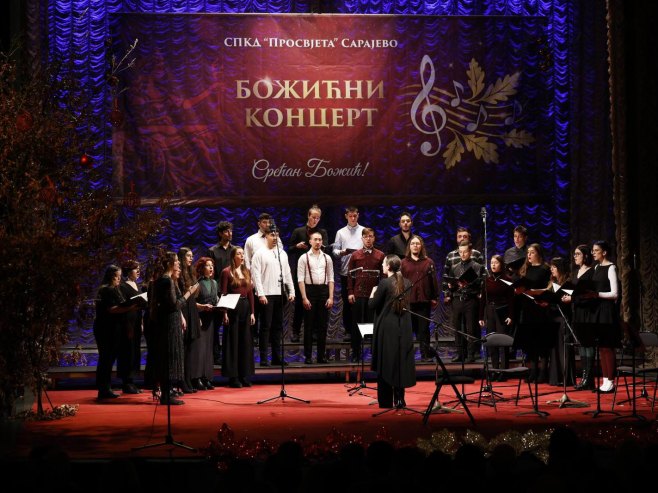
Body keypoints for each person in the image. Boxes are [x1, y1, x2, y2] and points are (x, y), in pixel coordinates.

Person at [369, 254, 416, 408]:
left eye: (384, 263)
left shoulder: (384, 283)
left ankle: (386, 401)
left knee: (386, 362)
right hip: (404, 327)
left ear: (388, 266)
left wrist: (373, 293)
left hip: (387, 328)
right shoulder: (407, 282)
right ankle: (400, 399)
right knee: (400, 362)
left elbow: (372, 305)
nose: (382, 265)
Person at [152, 252, 198, 405]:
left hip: (167, 321)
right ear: (170, 263)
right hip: (169, 323)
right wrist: (189, 293)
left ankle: (167, 392)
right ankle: (166, 395)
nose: (178, 263)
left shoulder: (163, 280)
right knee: (170, 357)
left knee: (168, 357)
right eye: (176, 261)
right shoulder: (167, 281)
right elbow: (175, 305)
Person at [93, 265, 139, 400]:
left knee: (109, 359)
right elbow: (112, 309)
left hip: (113, 328)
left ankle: (106, 388)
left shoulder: (115, 289)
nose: (119, 279)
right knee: (106, 359)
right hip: (105, 329)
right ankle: (103, 389)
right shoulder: (106, 290)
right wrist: (131, 307)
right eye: (116, 276)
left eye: (119, 276)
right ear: (110, 277)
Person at [251, 228, 295, 366]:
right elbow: (256, 276)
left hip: (279, 294)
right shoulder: (259, 254)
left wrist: (291, 291)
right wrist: (261, 293)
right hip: (266, 295)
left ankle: (277, 357)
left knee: (278, 326)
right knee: (266, 326)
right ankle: (264, 358)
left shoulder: (282, 253)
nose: (275, 237)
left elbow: (287, 273)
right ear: (266, 236)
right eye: (272, 235)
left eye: (277, 235)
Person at [512, 243, 553, 383]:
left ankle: (543, 372)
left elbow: (549, 288)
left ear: (539, 254)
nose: (529, 255)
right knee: (531, 343)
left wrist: (538, 294)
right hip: (527, 309)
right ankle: (533, 371)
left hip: (540, 309)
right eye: (528, 252)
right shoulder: (525, 269)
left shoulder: (545, 269)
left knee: (541, 342)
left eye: (532, 252)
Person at [288, 205, 329, 343]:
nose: (315, 220)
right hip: (301, 272)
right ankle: (296, 332)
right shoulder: (298, 231)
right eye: (313, 217)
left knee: (317, 304)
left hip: (317, 272)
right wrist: (297, 246)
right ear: (308, 216)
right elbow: (289, 249)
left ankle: (315, 332)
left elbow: (326, 248)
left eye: (318, 218)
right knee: (300, 303)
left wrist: (318, 244)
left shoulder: (322, 232)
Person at [347, 227, 385, 362]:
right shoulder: (355, 255)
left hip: (373, 296)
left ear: (374, 238)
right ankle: (356, 353)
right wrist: (350, 292)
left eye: (371, 236)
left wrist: (380, 294)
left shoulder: (380, 255)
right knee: (357, 324)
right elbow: (350, 275)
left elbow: (383, 276)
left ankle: (375, 354)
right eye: (366, 236)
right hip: (358, 294)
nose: (368, 239)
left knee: (372, 324)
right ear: (362, 238)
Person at [561, 244, 596, 390]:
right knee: (581, 344)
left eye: (578, 254)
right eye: (574, 254)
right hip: (577, 312)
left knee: (588, 344)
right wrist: (566, 296)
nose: (575, 256)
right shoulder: (576, 272)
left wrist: (572, 298)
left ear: (585, 256)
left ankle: (589, 378)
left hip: (588, 312)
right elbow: (574, 291)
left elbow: (589, 296)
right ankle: (584, 378)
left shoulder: (592, 272)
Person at [220, 247, 256, 387]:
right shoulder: (226, 272)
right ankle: (233, 377)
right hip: (232, 308)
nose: (242, 256)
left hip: (245, 307)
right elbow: (223, 293)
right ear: (233, 256)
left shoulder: (246, 271)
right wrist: (224, 312)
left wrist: (252, 312)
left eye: (242, 253)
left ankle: (244, 374)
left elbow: (250, 293)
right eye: (239, 253)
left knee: (245, 342)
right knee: (233, 342)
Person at [444, 241, 485, 363]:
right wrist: (451, 287)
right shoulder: (454, 267)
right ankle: (460, 353)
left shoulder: (477, 267)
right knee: (457, 328)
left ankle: (471, 354)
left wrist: (470, 284)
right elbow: (451, 286)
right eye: (460, 252)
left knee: (471, 328)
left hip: (470, 300)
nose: (462, 254)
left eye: (465, 252)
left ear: (470, 252)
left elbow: (481, 284)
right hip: (457, 300)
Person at [297, 231, 334, 364]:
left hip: (323, 291)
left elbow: (331, 278)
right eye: (315, 239)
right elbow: (300, 279)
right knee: (309, 325)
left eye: (320, 239)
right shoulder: (304, 258)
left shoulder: (327, 258)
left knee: (322, 326)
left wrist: (331, 297)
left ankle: (321, 356)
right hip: (310, 291)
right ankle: (308, 356)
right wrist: (304, 298)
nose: (318, 242)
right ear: (310, 241)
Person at [400, 235, 439, 361]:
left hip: (424, 301)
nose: (415, 246)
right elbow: (400, 282)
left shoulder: (429, 262)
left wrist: (435, 297)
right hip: (408, 302)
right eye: (413, 244)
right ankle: (406, 357)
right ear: (409, 246)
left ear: (421, 246)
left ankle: (425, 354)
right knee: (408, 330)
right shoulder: (403, 263)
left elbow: (433, 280)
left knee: (423, 329)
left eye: (417, 243)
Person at [589, 240, 621, 393]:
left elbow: (615, 294)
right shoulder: (596, 267)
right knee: (601, 347)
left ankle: (611, 381)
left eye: (596, 250)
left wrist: (597, 294)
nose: (593, 253)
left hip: (607, 311)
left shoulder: (611, 267)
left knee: (608, 347)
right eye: (593, 250)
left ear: (604, 252)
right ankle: (605, 380)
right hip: (598, 310)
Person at [332, 206, 365, 343]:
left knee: (363, 303)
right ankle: (348, 331)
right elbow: (334, 251)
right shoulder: (340, 232)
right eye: (350, 216)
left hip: (362, 272)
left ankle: (364, 332)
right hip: (346, 272)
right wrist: (342, 252)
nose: (352, 218)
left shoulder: (364, 230)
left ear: (358, 215)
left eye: (355, 216)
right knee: (347, 303)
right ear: (346, 216)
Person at [479, 255, 514, 370]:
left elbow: (511, 300)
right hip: (490, 311)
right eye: (492, 263)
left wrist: (510, 315)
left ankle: (504, 370)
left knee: (503, 341)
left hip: (502, 311)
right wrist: (481, 317)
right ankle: (495, 369)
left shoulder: (507, 280)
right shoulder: (487, 280)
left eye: (496, 263)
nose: (493, 265)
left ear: (501, 265)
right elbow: (483, 300)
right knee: (492, 341)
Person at [206, 220, 234, 364]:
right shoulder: (213, 251)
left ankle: (230, 355)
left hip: (233, 291)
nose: (230, 233)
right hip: (218, 291)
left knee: (231, 325)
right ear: (220, 233)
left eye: (231, 230)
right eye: (227, 231)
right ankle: (216, 356)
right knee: (216, 326)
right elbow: (210, 273)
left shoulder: (235, 250)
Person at [118, 260, 146, 394]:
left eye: (139, 268)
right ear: (129, 272)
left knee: (135, 351)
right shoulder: (123, 287)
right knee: (127, 352)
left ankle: (132, 380)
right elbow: (123, 306)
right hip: (127, 323)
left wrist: (141, 323)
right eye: (136, 269)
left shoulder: (137, 285)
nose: (138, 271)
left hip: (136, 321)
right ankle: (126, 382)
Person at [190, 257, 218, 391]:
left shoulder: (214, 283)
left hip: (210, 319)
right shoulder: (198, 284)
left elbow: (215, 299)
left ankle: (206, 377)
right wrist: (202, 307)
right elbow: (191, 303)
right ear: (202, 268)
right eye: (208, 265)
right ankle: (197, 378)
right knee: (199, 349)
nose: (211, 268)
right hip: (200, 319)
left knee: (208, 349)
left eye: (212, 265)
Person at [547, 257, 575, 386]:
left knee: (564, 348)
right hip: (552, 319)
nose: (551, 269)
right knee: (554, 349)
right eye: (551, 267)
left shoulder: (568, 284)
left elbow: (569, 302)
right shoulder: (551, 283)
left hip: (563, 318)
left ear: (560, 268)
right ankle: (555, 377)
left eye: (554, 267)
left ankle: (565, 378)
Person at [177, 247, 201, 393]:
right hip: (183, 310)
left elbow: (193, 296)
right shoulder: (178, 274)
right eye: (188, 256)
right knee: (183, 348)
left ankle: (188, 379)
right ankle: (181, 381)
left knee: (190, 349)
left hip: (191, 309)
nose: (191, 258)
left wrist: (197, 316)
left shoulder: (191, 272)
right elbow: (178, 298)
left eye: (192, 256)